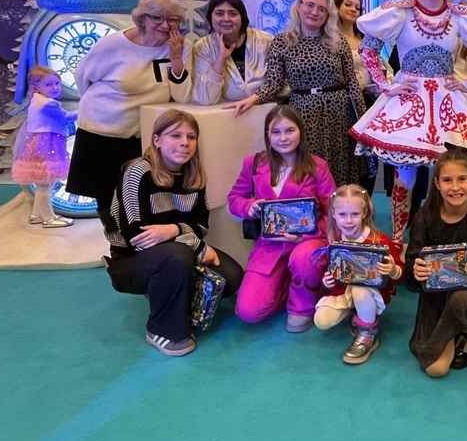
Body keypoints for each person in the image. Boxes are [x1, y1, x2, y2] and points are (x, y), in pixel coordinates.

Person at [349, 0, 467, 239]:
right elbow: (369, 50)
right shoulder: (400, 12)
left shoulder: (460, 15)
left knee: (447, 176)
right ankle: (400, 239)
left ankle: (440, 239)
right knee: (405, 178)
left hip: (448, 101)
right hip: (409, 99)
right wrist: (386, 84)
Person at [104, 109, 243, 356]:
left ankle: (170, 292)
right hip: (130, 259)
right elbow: (135, 235)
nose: (185, 143)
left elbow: (202, 226)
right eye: (175, 135)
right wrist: (197, 247)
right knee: (177, 258)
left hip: (178, 251)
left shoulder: (195, 176)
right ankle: (162, 329)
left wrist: (173, 230)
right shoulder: (137, 172)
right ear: (157, 140)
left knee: (232, 277)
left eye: (191, 137)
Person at [67, 0, 191, 231]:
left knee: (142, 203)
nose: (165, 25)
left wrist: (176, 58)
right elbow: (83, 77)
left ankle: (140, 248)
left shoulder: (179, 47)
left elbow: (182, 95)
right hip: (102, 135)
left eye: (173, 19)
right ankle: (119, 248)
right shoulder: (113, 44)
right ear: (142, 18)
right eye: (157, 18)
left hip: (142, 138)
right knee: (109, 206)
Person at [229, 0, 366, 186]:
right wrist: (251, 100)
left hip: (339, 114)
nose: (315, 12)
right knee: (307, 168)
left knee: (339, 169)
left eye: (321, 8)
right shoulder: (282, 42)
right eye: (310, 5)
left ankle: (338, 205)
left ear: (328, 14)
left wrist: (363, 122)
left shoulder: (338, 42)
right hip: (302, 114)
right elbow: (273, 83)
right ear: (299, 7)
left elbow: (352, 83)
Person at [227, 105, 336, 332]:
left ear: (301, 131)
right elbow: (234, 199)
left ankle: (302, 304)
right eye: (276, 132)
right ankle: (286, 284)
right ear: (267, 134)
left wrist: (308, 234)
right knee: (248, 311)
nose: (283, 138)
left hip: (308, 242)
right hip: (269, 246)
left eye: (289, 130)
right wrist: (249, 206)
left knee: (304, 258)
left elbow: (334, 214)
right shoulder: (253, 163)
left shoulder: (318, 166)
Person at [407, 147, 467, 377]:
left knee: (461, 299)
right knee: (436, 368)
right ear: (437, 183)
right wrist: (416, 269)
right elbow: (412, 263)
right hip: (434, 294)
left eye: (462, 179)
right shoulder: (424, 216)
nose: (455, 187)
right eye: (447, 180)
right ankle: (450, 330)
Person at [314, 185, 404, 365]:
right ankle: (356, 313)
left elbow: (400, 275)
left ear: (364, 213)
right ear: (333, 214)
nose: (348, 221)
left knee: (359, 289)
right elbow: (332, 272)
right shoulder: (334, 240)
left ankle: (368, 332)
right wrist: (328, 281)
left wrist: (393, 270)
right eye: (342, 214)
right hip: (344, 291)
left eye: (354, 214)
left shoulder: (380, 241)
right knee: (322, 320)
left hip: (371, 292)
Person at [11, 65, 77, 228]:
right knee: (45, 184)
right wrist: (85, 111)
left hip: (42, 143)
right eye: (48, 84)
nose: (55, 87)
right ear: (36, 86)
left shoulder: (37, 99)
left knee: (45, 183)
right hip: (46, 145)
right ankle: (48, 218)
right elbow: (65, 118)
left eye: (57, 83)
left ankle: (36, 215)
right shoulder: (48, 104)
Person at [335, 0, 380, 192]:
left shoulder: (365, 39)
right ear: (336, 6)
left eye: (358, 7)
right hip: (342, 106)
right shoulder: (329, 39)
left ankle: (365, 200)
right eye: (348, 4)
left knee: (368, 157)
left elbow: (378, 66)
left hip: (367, 104)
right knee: (346, 155)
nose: (353, 9)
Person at [191, 0, 272, 105]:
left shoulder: (265, 41)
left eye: (233, 14)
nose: (226, 19)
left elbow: (277, 85)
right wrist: (220, 59)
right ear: (210, 17)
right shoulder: (202, 47)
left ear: (242, 17)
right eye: (219, 13)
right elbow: (205, 99)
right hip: (226, 112)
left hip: (265, 109)